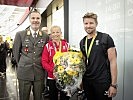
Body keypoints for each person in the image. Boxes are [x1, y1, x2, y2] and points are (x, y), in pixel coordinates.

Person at [79, 12, 118, 100]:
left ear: (96, 23)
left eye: (91, 23)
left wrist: (113, 85)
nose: (88, 26)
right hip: (87, 82)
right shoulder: (82, 42)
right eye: (86, 23)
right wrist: (81, 81)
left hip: (102, 82)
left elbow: (113, 61)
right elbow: (83, 64)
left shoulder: (106, 38)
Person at [13, 9, 49, 100]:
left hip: (39, 73)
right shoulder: (20, 34)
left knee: (38, 97)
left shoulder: (45, 36)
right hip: (24, 72)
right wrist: (23, 64)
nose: (35, 20)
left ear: (41, 20)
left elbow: (46, 54)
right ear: (29, 20)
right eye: (33, 18)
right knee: (24, 97)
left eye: (38, 18)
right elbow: (16, 53)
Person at [41, 25, 70, 100]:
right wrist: (53, 70)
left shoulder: (66, 45)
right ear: (50, 34)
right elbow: (44, 62)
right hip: (52, 77)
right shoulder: (47, 46)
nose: (55, 34)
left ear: (61, 33)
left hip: (64, 77)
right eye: (53, 32)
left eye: (57, 32)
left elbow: (70, 60)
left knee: (65, 97)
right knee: (53, 96)